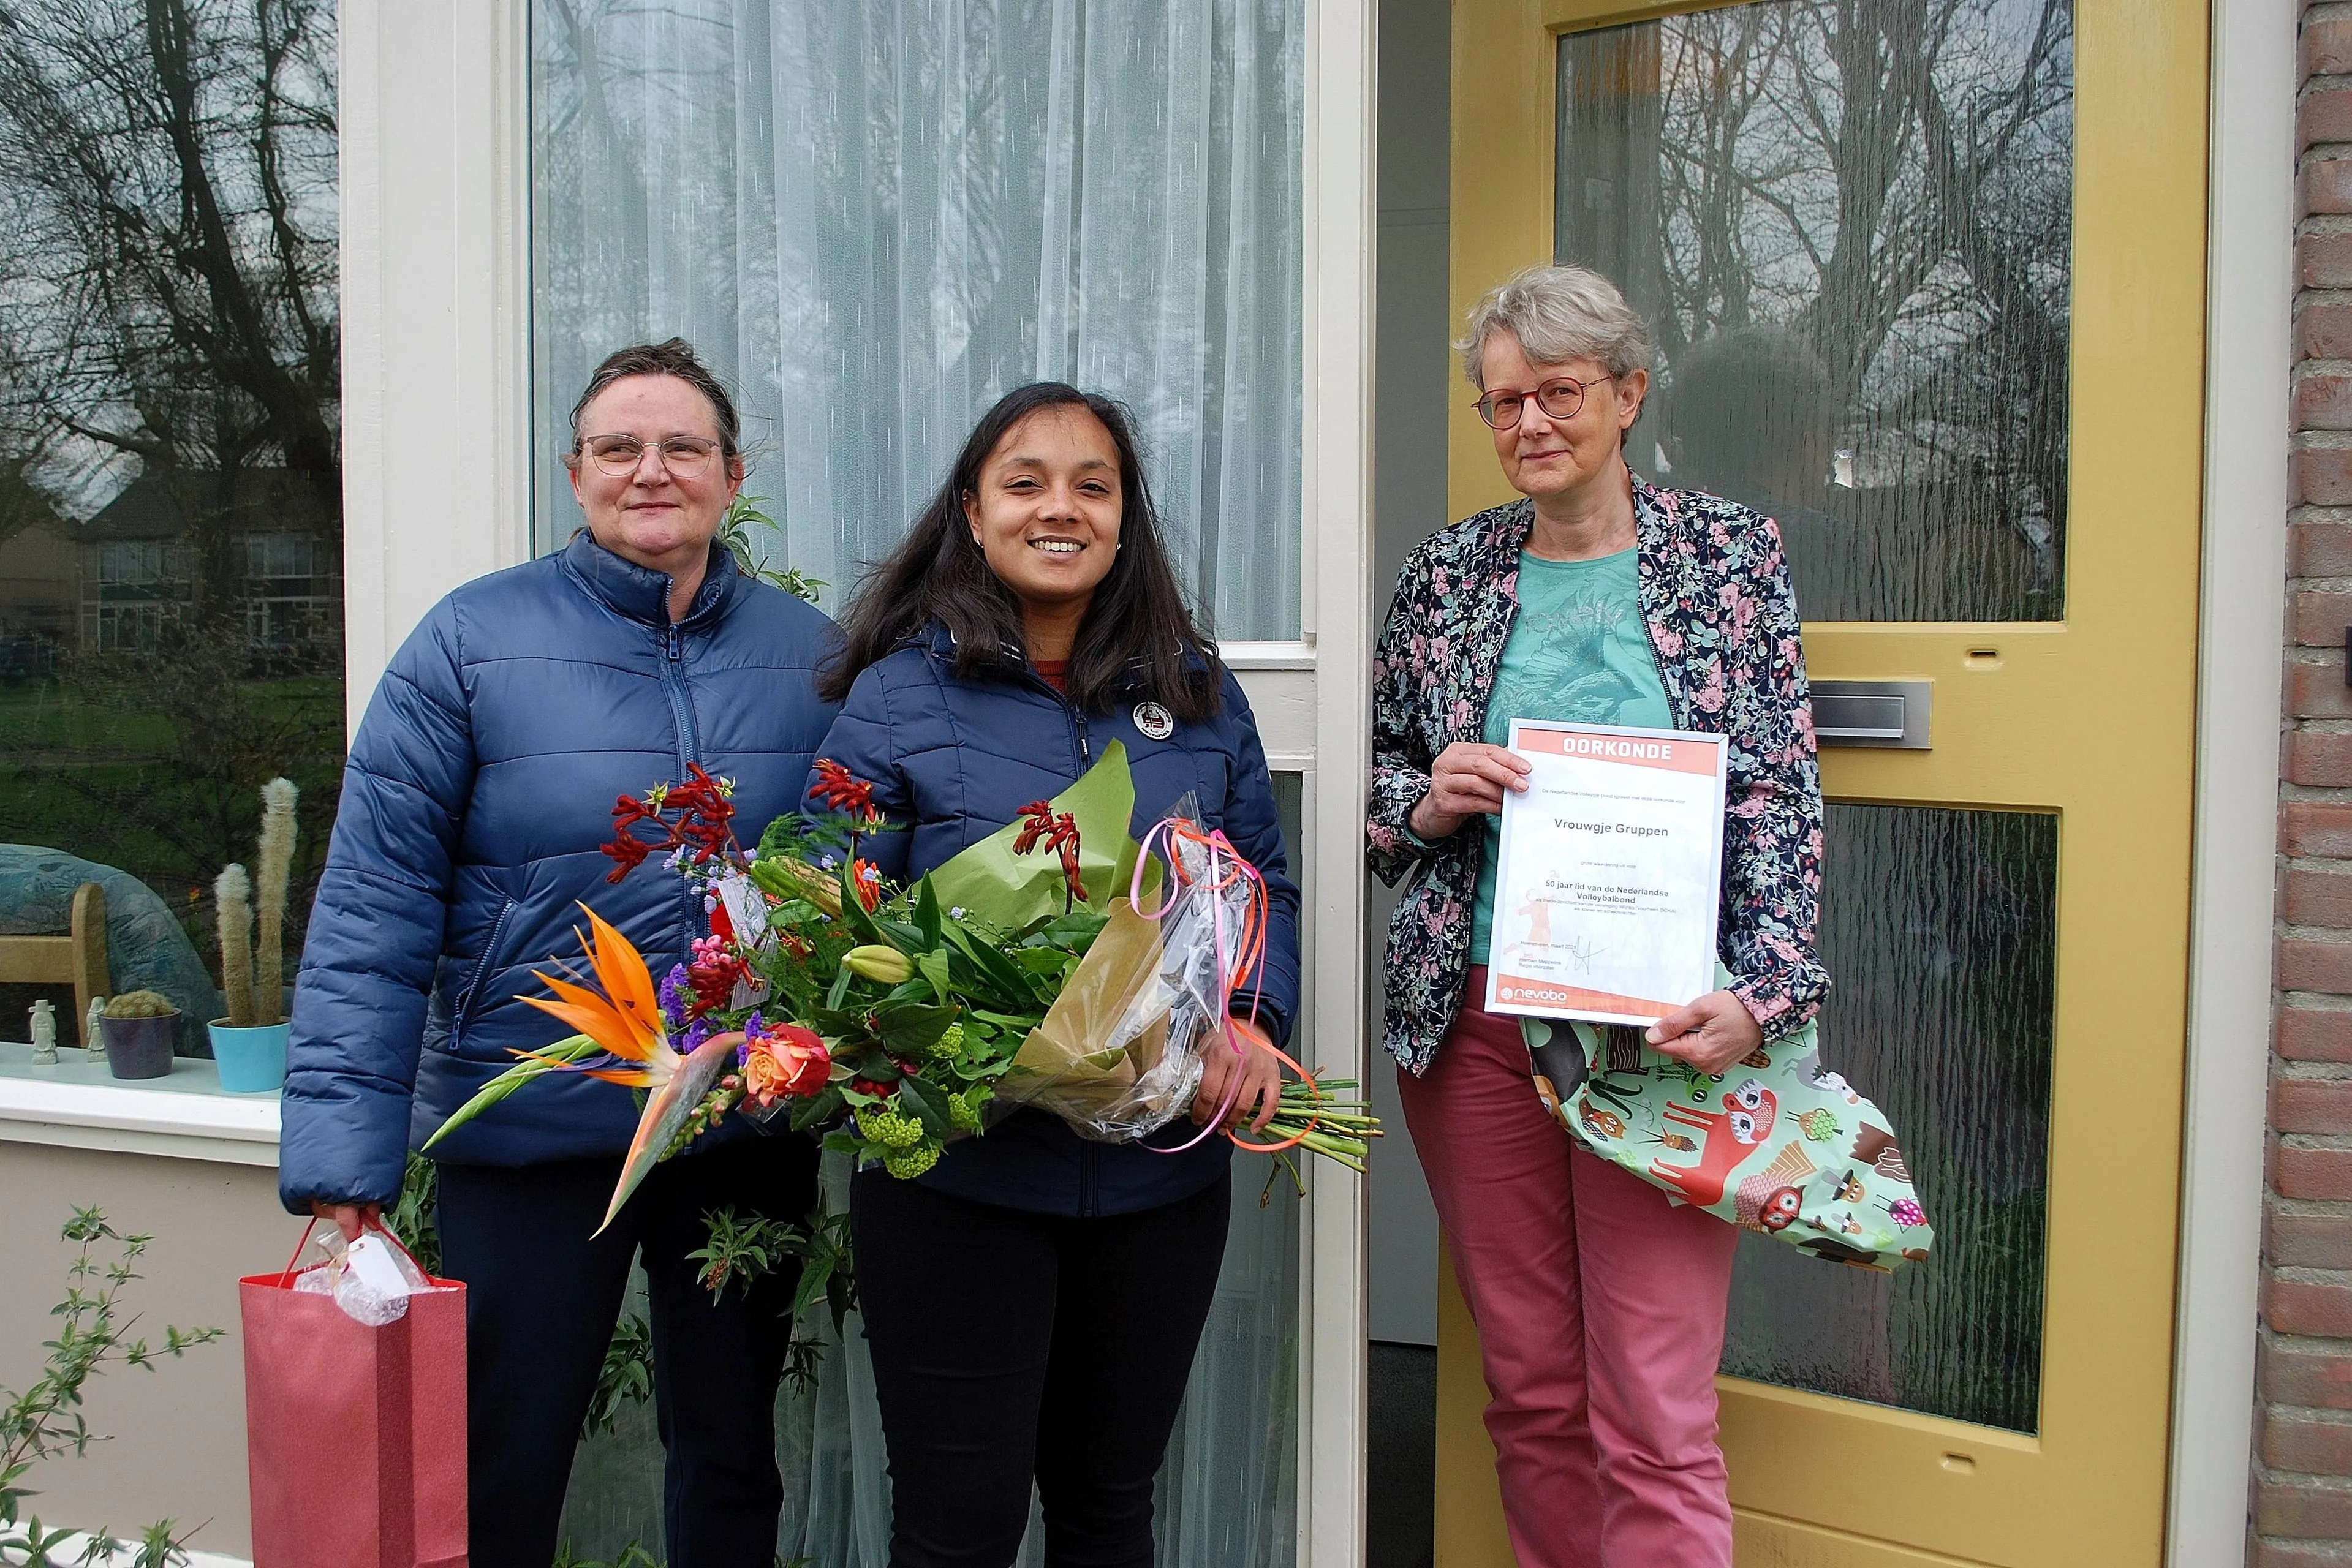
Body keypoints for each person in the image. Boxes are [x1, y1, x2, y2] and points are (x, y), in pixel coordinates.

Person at [279, 339, 839, 1567]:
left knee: (735, 1460)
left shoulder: (815, 656)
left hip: (735, 1129)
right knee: (496, 1463)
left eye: (682, 446)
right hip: (530, 1125)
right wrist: (340, 1153)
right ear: (575, 473)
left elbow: (856, 879)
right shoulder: (470, 643)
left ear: (731, 473)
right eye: (619, 448)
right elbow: (375, 905)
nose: (652, 470)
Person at [1366, 265, 1826, 1567]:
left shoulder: (1725, 556)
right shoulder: (1448, 569)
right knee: (1529, 1390)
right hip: (1476, 1019)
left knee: (1655, 1407)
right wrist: (1428, 794)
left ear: (1626, 394)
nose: (1528, 424)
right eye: (1501, 401)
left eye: (1557, 392)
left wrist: (1769, 988)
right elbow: (1374, 775)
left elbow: (1780, 788)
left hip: (1665, 1026)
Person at [811, 381, 1302, 1568]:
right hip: (959, 1184)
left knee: (1107, 1507)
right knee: (956, 1526)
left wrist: (1246, 1017)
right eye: (1025, 482)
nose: (1059, 508)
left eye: (1092, 484)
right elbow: (830, 915)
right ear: (971, 515)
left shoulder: (1193, 690)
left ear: (1125, 520)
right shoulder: (895, 697)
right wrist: (931, 1032)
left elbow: (1259, 884)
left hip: (1154, 1185)